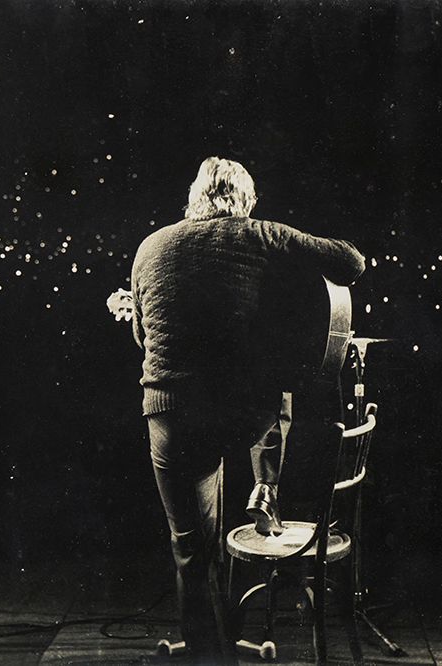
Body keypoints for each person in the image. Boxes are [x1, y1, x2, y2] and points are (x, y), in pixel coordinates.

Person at [109, 157, 365, 662]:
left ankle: (210, 654)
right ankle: (266, 485)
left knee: (191, 545)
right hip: (244, 415)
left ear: (193, 198)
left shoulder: (149, 246)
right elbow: (351, 262)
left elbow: (143, 338)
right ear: (245, 200)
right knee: (281, 379)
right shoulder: (263, 234)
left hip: (171, 415)